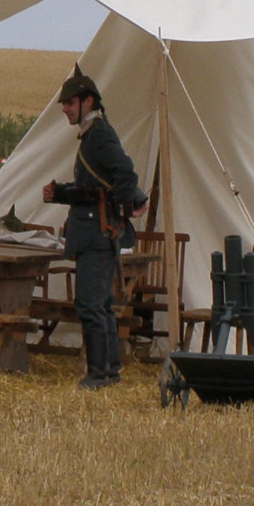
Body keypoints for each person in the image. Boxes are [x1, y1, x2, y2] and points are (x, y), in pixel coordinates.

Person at [41, 65, 146, 389]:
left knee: (90, 303)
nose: (65, 109)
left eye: (70, 103)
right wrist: (62, 193)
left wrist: (121, 211)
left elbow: (125, 174)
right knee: (97, 304)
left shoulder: (98, 133)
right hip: (94, 230)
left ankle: (100, 374)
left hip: (98, 232)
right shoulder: (92, 133)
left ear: (87, 101)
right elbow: (94, 186)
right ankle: (107, 370)